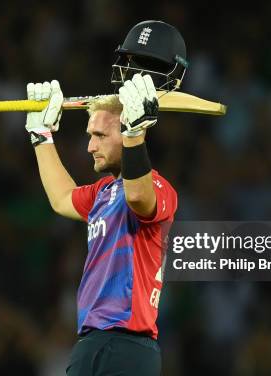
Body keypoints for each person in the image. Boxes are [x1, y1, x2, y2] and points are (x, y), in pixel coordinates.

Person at [25, 20, 186, 376]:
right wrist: (41, 136)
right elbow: (62, 198)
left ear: (126, 131)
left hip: (126, 344)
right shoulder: (102, 192)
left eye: (99, 135)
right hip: (95, 342)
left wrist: (134, 135)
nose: (89, 146)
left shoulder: (158, 188)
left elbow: (139, 198)